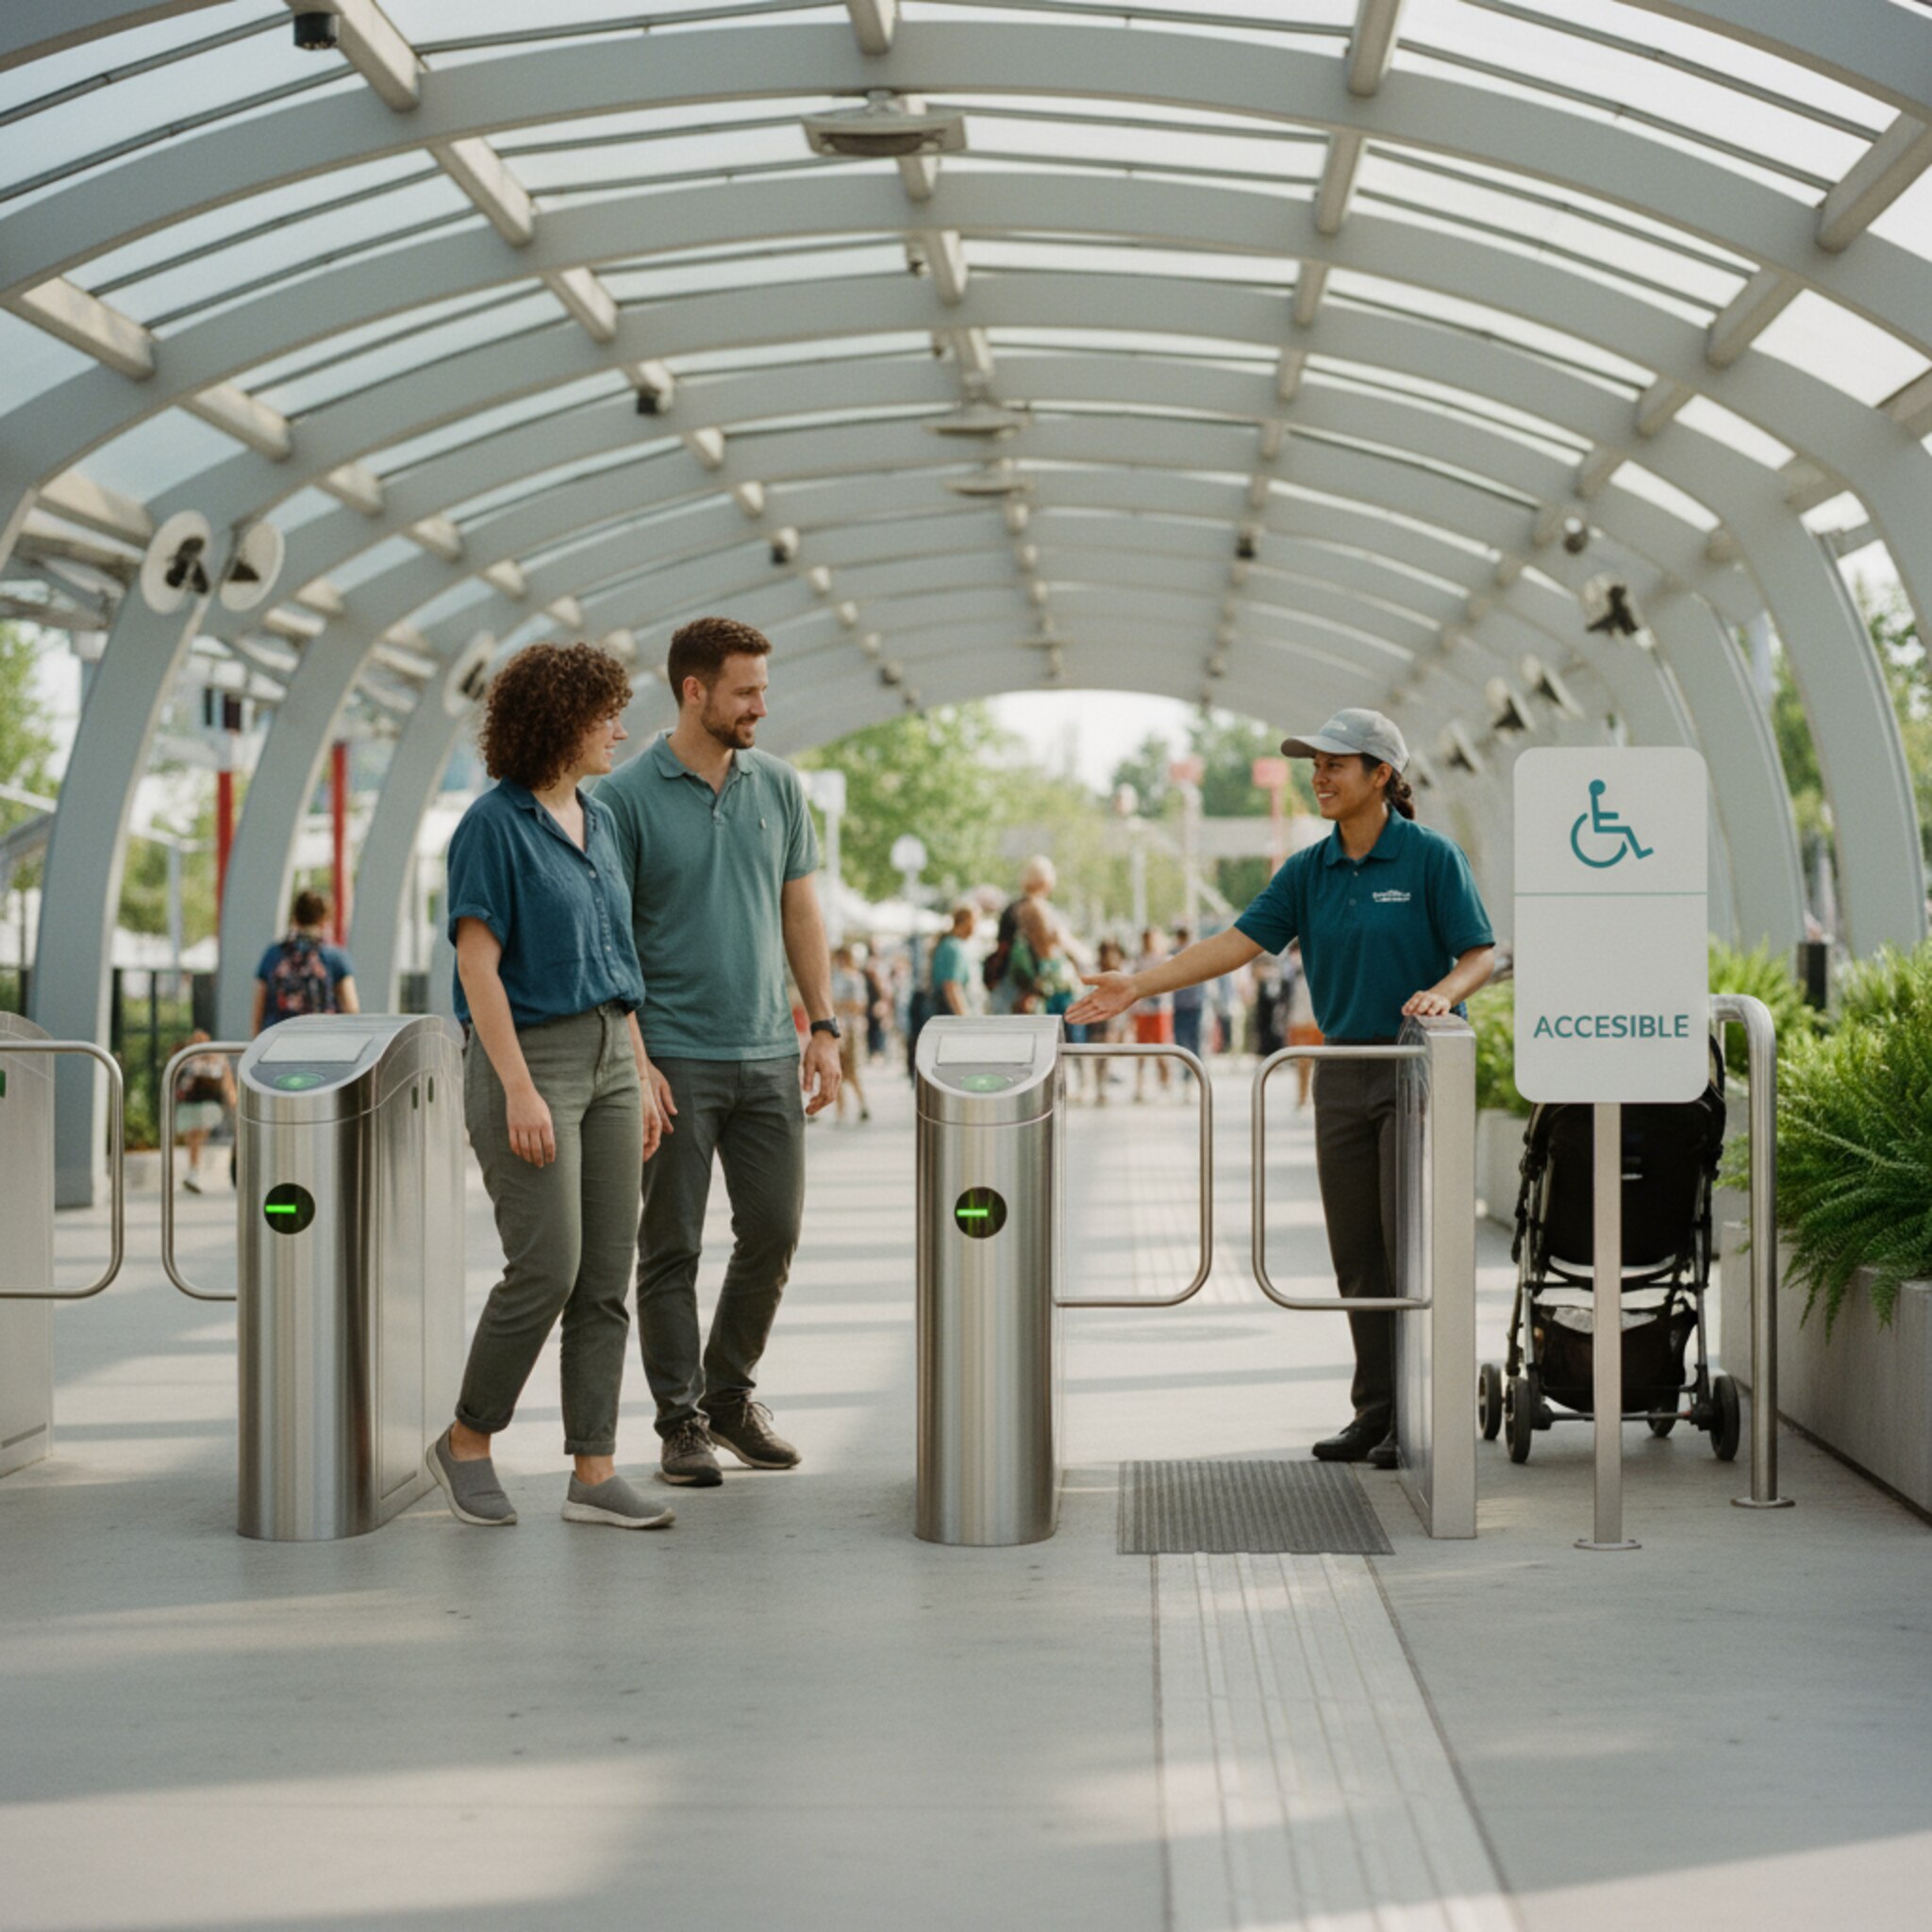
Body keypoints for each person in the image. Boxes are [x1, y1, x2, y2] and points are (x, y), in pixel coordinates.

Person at [1068, 708, 1494, 1470]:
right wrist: (1138, 985)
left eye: (1335, 764)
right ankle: (1375, 1412)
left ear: (1383, 776)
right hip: (1339, 1075)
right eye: (1314, 764)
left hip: (1415, 1070)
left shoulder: (1430, 858)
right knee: (1358, 1255)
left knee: (1407, 1247)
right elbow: (1234, 944)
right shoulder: (1307, 870)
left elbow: (1479, 956)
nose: (1318, 777)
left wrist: (1441, 992)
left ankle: (1419, 1411)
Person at [425, 641, 674, 1533]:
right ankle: (465, 1441)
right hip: (529, 1062)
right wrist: (520, 1089)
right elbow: (478, 969)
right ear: (558, 722)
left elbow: (619, 959)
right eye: (607, 713)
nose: (622, 727)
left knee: (608, 1273)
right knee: (547, 1268)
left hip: (612, 1053)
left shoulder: (598, 818)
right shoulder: (492, 827)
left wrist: (639, 1067)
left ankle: (594, 1470)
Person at [596, 614, 840, 1488]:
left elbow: (799, 910)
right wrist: (636, 1054)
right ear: (694, 691)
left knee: (773, 1230)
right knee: (670, 1247)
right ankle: (681, 1421)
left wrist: (824, 1025)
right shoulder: (619, 799)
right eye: (746, 691)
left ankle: (731, 1394)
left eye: (764, 689)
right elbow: (609, 934)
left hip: (770, 1051)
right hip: (674, 1057)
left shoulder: (777, 786)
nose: (760, 707)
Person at [253, 889, 357, 1031]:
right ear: (324, 920)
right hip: (322, 1043)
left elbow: (259, 1008)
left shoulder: (274, 954)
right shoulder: (335, 956)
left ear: (295, 918)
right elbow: (351, 1008)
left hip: (279, 1044)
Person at [171, 1029, 236, 1194]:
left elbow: (227, 1083)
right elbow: (177, 1081)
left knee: (198, 1132)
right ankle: (193, 1171)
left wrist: (234, 1102)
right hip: (190, 1103)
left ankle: (194, 1171)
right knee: (192, 1135)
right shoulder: (187, 1059)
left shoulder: (218, 1060)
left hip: (209, 1103)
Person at [1131, 927, 1174, 1101]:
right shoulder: (1138, 960)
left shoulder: (1164, 959)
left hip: (1160, 1010)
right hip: (1143, 1011)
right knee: (1141, 1050)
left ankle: (1165, 1083)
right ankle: (1140, 1087)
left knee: (1161, 1048)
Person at [831, 943, 872, 1123]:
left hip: (850, 1027)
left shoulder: (854, 978)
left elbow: (859, 1005)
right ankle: (841, 1110)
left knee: (851, 1070)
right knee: (836, 1069)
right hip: (837, 1027)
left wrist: (839, 1004)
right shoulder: (834, 977)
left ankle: (862, 1105)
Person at [930, 904, 976, 1017]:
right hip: (950, 1013)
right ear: (967, 921)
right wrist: (964, 1018)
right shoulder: (953, 948)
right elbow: (951, 986)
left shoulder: (947, 944)